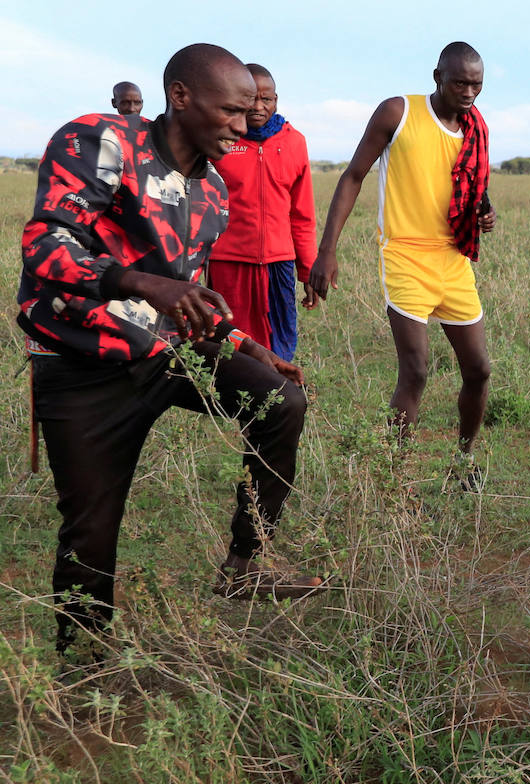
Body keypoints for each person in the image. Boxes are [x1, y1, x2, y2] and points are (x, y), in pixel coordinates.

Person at [18, 43, 321, 662]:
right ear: (181, 97)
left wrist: (243, 344)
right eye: (232, 112)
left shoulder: (211, 192)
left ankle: (244, 563)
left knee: (282, 402)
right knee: (92, 530)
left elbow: (186, 302)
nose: (245, 126)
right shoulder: (100, 141)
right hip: (81, 366)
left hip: (165, 354)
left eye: (250, 113)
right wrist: (141, 282)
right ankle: (83, 666)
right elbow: (45, 243)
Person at [309, 40, 495, 480]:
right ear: (437, 77)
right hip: (405, 257)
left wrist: (485, 212)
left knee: (479, 370)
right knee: (415, 372)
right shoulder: (399, 112)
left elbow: (473, 189)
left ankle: (463, 462)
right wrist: (327, 250)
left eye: (477, 84)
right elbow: (353, 175)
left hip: (454, 261)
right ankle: (396, 477)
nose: (469, 92)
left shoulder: (475, 128)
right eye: (460, 83)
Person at [207, 63, 318, 361]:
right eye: (251, 98)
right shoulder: (218, 140)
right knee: (232, 342)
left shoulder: (294, 142)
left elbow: (302, 214)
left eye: (266, 99)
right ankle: (238, 402)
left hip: (278, 262)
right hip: (227, 261)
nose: (258, 106)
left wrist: (307, 270)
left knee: (279, 339)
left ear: (276, 100)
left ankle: (278, 398)